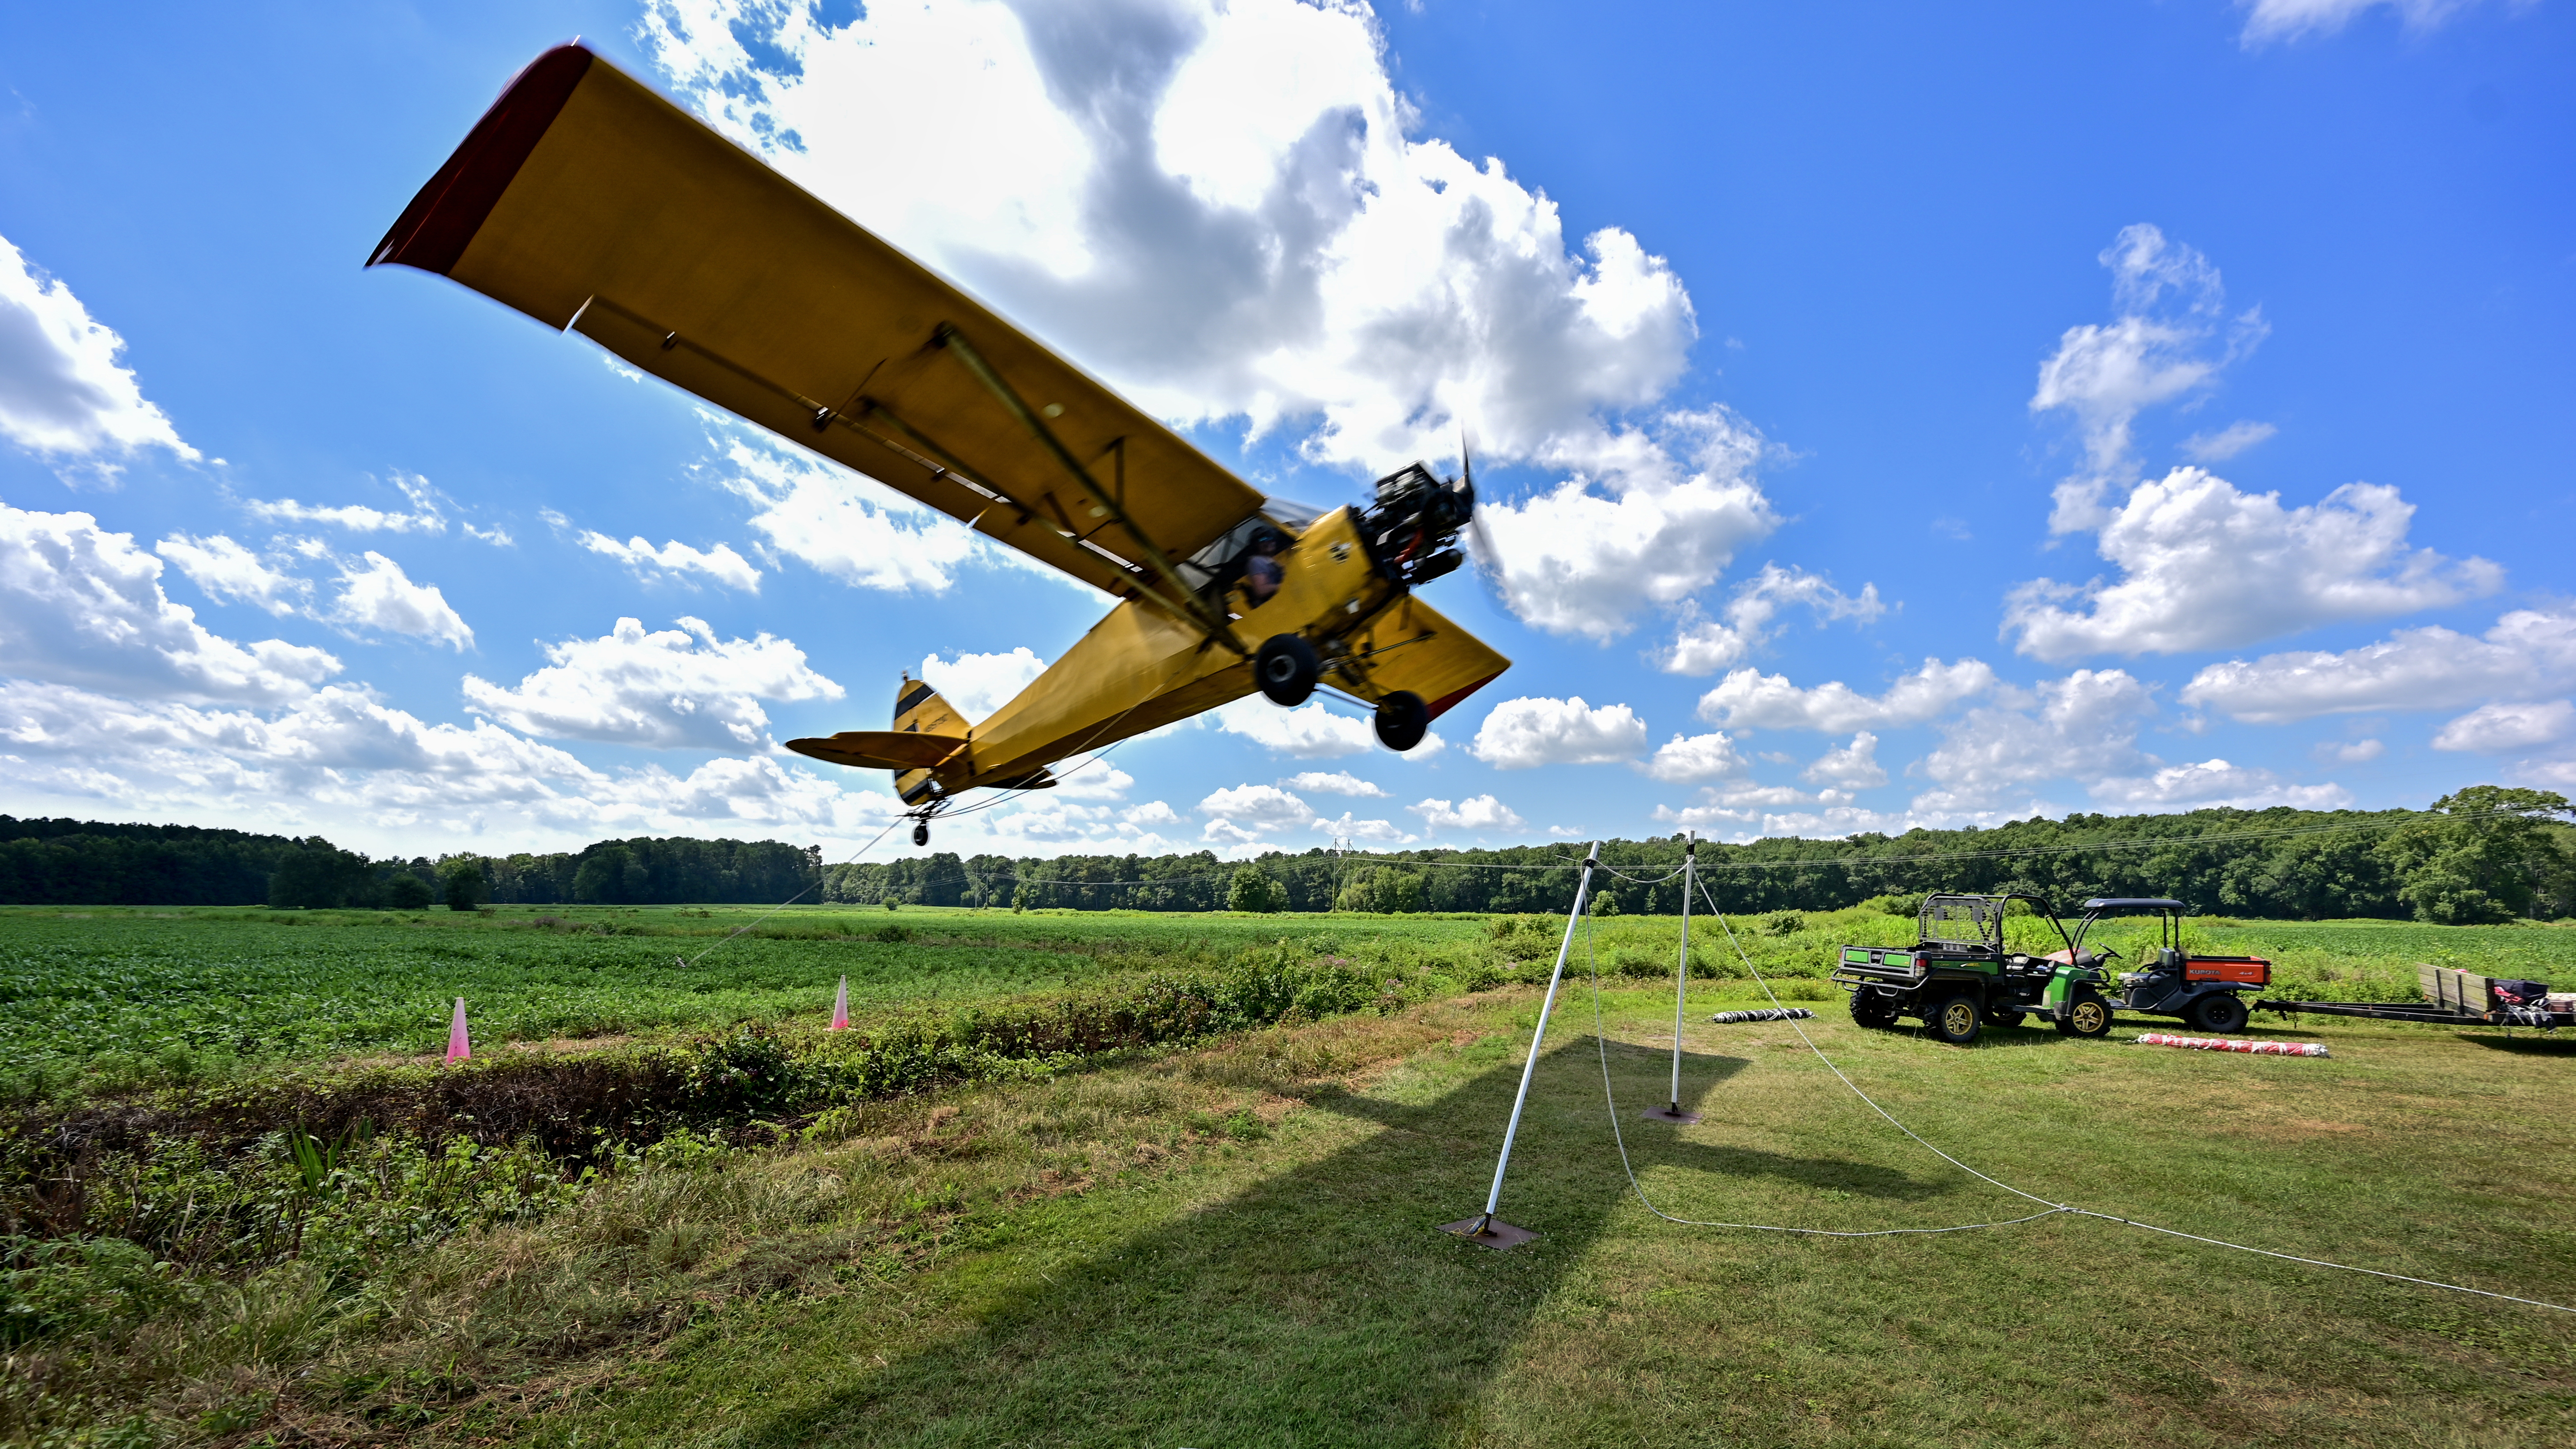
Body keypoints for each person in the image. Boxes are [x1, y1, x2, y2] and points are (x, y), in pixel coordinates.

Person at [1241, 531, 1284, 606]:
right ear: (1256, 545)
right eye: (1262, 540)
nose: (1267, 542)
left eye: (1270, 538)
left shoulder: (1270, 560)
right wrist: (1285, 585)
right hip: (1277, 604)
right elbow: (1261, 590)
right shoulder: (1256, 561)